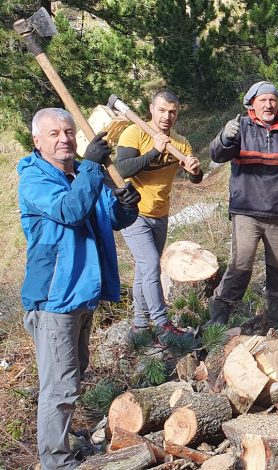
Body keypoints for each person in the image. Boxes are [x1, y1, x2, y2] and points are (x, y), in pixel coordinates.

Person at [18, 108, 139, 469]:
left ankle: (64, 442)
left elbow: (105, 216)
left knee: (73, 375)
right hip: (55, 297)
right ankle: (56, 461)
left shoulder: (84, 174)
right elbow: (71, 211)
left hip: (82, 292)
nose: (64, 138)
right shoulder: (34, 179)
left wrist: (125, 207)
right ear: (37, 141)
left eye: (68, 132)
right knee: (59, 386)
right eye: (54, 133)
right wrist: (90, 168)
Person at [207, 81, 278, 326]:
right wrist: (224, 137)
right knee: (241, 263)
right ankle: (219, 315)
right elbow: (216, 155)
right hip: (246, 212)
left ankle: (275, 312)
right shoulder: (240, 128)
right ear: (252, 103)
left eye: (272, 100)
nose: (268, 104)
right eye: (263, 100)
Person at [115, 90, 203, 338]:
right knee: (151, 264)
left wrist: (195, 170)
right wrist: (154, 151)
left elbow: (196, 178)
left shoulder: (181, 143)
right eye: (162, 110)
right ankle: (163, 324)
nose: (167, 116)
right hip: (134, 213)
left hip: (160, 213)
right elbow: (122, 169)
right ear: (151, 109)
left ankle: (139, 326)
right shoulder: (134, 133)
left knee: (145, 270)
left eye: (172, 112)